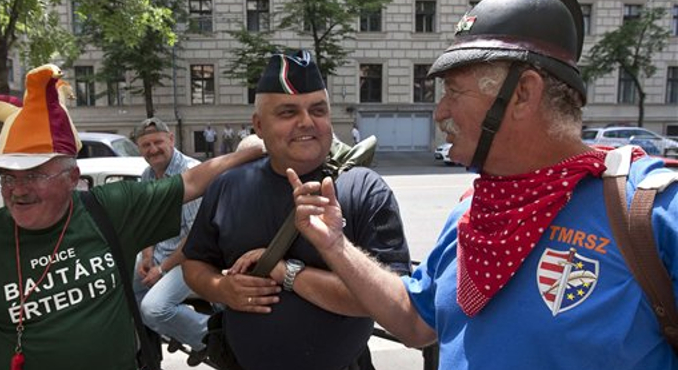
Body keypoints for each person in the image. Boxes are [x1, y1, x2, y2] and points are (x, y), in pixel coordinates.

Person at [289, 0, 678, 369]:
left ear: (522, 94)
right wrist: (335, 245)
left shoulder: (651, 212)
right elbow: (414, 320)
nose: (440, 113)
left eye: (454, 92)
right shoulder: (474, 210)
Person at [0, 64, 264, 370]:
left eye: (35, 175)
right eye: (7, 177)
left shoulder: (109, 208)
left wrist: (255, 150)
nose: (17, 190)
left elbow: (193, 180)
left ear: (72, 179)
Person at [182, 50, 411, 370]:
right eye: (288, 112)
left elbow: (396, 301)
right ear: (258, 125)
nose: (306, 122)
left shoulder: (360, 188)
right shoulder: (229, 186)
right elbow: (195, 263)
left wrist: (287, 272)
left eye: (318, 110)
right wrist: (223, 289)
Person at [131, 117, 208, 366]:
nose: (152, 149)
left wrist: (161, 270)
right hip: (162, 254)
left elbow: (196, 237)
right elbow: (147, 223)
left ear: (171, 140)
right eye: (145, 145)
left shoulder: (191, 173)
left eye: (157, 142)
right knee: (120, 286)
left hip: (194, 257)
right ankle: (177, 330)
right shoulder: (147, 175)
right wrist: (146, 256)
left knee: (153, 309)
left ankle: (212, 339)